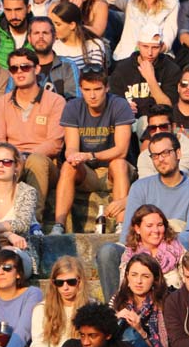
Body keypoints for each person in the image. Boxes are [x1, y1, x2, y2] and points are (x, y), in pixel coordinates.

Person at [96, 131, 189, 301]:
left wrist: (158, 247)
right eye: (155, 155)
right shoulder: (140, 187)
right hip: (139, 250)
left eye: (166, 153)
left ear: (178, 153)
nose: (161, 159)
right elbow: (128, 234)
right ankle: (116, 309)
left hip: (176, 253)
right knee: (107, 252)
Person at [50, 65, 134, 235]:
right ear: (80, 89)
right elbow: (71, 146)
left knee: (118, 164)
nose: (93, 95)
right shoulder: (73, 107)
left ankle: (121, 225)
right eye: (87, 90)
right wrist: (73, 157)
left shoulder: (119, 105)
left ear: (107, 88)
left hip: (115, 169)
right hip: (88, 171)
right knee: (67, 165)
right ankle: (58, 225)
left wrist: (90, 155)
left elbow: (122, 150)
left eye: (97, 89)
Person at [0, 48, 65, 225]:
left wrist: (23, 157)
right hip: (11, 161)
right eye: (14, 69)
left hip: (45, 163)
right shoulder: (1, 103)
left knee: (36, 160)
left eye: (25, 67)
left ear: (36, 69)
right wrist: (14, 159)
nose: (19, 72)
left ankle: (32, 221)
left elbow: (55, 143)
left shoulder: (55, 101)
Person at [28, 257, 90, 347]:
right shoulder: (42, 309)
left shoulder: (90, 307)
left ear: (80, 282)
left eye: (71, 282)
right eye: (60, 283)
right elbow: (39, 342)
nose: (65, 287)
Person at [108, 23, 181, 118]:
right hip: (129, 119)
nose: (150, 53)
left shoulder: (171, 69)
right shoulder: (122, 68)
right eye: (145, 47)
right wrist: (123, 107)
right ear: (138, 45)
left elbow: (168, 107)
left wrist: (151, 79)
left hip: (159, 121)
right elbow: (113, 102)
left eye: (155, 47)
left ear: (161, 46)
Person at [110, 253, 172, 347]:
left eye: (145, 276)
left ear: (155, 280)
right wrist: (115, 318)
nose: (139, 281)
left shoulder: (166, 302)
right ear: (127, 276)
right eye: (134, 275)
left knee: (132, 334)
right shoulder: (118, 299)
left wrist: (140, 330)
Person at [137, 104, 189, 185]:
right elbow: (144, 186)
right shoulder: (144, 156)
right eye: (153, 128)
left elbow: (174, 181)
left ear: (173, 126)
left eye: (163, 127)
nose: (158, 132)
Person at [119, 204, 185, 291]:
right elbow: (124, 290)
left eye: (160, 225)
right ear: (137, 229)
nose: (156, 230)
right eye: (149, 226)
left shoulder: (177, 249)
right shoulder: (130, 255)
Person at [27, 16, 81, 101]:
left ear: (54, 37)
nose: (41, 37)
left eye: (45, 33)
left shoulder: (68, 67)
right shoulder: (21, 67)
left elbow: (75, 103)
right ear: (29, 38)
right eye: (36, 33)